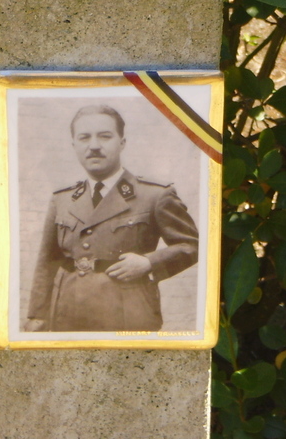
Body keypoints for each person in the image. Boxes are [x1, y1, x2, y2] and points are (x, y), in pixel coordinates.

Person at [25, 104, 199, 332]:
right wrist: (37, 315)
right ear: (74, 145)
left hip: (128, 314)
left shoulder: (154, 195)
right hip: (68, 313)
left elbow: (191, 245)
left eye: (105, 136)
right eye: (84, 138)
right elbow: (47, 261)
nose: (94, 146)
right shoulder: (62, 199)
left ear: (122, 142)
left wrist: (148, 263)